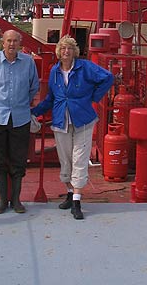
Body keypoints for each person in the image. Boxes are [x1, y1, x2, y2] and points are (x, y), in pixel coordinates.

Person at [32, 34, 114, 220]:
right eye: (63, 48)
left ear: (74, 51)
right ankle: (69, 193)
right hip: (61, 119)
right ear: (59, 52)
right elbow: (51, 98)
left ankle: (77, 201)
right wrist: (35, 111)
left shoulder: (84, 67)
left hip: (83, 119)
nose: (66, 51)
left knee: (79, 158)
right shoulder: (55, 71)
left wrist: (93, 96)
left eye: (69, 48)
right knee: (65, 159)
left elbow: (108, 77)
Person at [0, 29, 39, 214]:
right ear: (3, 43)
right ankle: (2, 200)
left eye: (15, 41)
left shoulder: (28, 62)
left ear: (20, 44)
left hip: (20, 118)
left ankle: (16, 200)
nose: (12, 44)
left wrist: (21, 104)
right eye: (9, 41)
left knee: (19, 159)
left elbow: (33, 87)